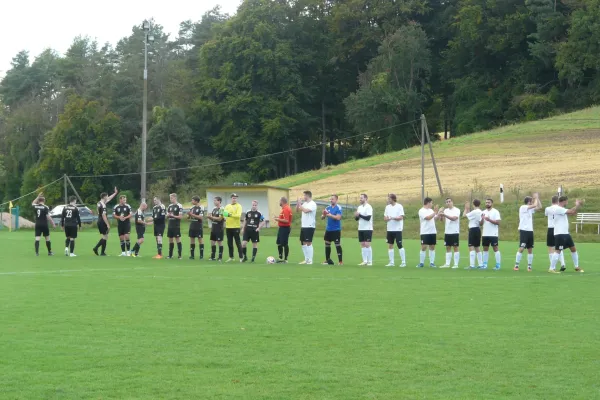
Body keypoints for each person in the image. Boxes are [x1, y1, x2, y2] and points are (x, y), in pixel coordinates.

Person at [549, 196, 584, 273]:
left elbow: (572, 213)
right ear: (564, 201)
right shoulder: (558, 209)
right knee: (558, 250)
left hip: (566, 233)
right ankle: (551, 268)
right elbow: (571, 211)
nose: (567, 203)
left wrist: (577, 207)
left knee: (573, 249)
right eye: (567, 201)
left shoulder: (562, 209)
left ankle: (576, 266)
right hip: (560, 233)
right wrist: (577, 205)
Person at [514, 193, 542, 271]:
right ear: (529, 201)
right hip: (524, 230)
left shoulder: (530, 209)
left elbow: (539, 207)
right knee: (522, 248)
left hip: (530, 231)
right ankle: (516, 265)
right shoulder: (523, 207)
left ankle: (529, 266)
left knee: (530, 249)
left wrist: (537, 198)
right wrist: (536, 198)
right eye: (531, 201)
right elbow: (534, 205)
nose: (533, 202)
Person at [93, 187, 118, 256]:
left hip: (99, 220)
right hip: (102, 221)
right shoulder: (103, 205)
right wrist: (108, 224)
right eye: (107, 196)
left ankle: (102, 252)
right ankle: (96, 248)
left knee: (105, 236)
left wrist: (115, 193)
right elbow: (104, 215)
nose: (107, 197)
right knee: (105, 237)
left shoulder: (99, 203)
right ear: (104, 197)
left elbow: (109, 198)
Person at [384, 193, 405, 267]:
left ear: (393, 199)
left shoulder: (399, 206)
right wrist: (387, 218)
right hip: (389, 229)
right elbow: (385, 218)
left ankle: (403, 262)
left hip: (398, 229)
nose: (388, 200)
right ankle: (391, 262)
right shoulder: (387, 207)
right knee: (390, 245)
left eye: (389, 198)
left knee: (399, 244)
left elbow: (401, 217)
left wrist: (392, 218)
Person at [417, 197, 440, 268]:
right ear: (428, 203)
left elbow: (434, 218)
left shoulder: (431, 210)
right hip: (425, 232)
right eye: (431, 203)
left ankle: (432, 263)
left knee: (432, 247)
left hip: (432, 231)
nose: (432, 204)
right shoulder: (421, 211)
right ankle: (421, 263)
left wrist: (439, 214)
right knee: (424, 247)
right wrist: (435, 213)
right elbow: (427, 218)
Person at [439, 197, 461, 269]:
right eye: (447, 202)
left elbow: (454, 218)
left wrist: (444, 215)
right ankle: (447, 264)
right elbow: (441, 220)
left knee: (455, 247)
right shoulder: (445, 210)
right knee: (448, 247)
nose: (448, 203)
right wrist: (440, 213)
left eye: (449, 201)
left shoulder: (457, 210)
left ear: (452, 202)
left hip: (454, 231)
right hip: (447, 231)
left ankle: (456, 264)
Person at [321, 194, 343, 266]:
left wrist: (329, 215)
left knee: (337, 245)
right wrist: (324, 215)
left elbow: (338, 218)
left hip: (336, 230)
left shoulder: (338, 208)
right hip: (328, 229)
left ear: (336, 200)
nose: (331, 200)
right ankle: (327, 260)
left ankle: (340, 261)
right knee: (327, 244)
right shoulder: (328, 207)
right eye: (330, 199)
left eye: (332, 199)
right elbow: (322, 217)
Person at [545, 196, 565, 270]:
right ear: (558, 201)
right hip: (558, 229)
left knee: (551, 247)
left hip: (550, 228)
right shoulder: (560, 208)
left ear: (552, 201)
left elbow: (546, 214)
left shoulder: (547, 208)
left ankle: (552, 266)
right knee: (559, 247)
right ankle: (563, 263)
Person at [297, 190, 317, 265]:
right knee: (303, 242)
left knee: (308, 242)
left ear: (308, 196)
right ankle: (306, 259)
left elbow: (305, 210)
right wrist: (298, 204)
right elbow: (297, 210)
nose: (303, 197)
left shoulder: (313, 204)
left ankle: (310, 260)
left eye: (304, 195)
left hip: (310, 226)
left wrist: (300, 204)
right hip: (304, 225)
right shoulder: (304, 203)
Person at [482, 198, 502, 270]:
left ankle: (498, 265)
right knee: (485, 248)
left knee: (495, 248)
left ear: (492, 203)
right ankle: (484, 264)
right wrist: (482, 219)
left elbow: (498, 222)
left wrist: (489, 219)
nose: (487, 204)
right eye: (486, 202)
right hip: (485, 234)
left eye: (489, 202)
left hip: (493, 234)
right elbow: (481, 224)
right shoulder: (483, 212)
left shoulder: (496, 212)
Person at [464, 199, 484, 269]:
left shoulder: (474, 211)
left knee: (471, 246)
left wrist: (466, 208)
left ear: (473, 204)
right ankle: (480, 264)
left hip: (472, 229)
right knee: (477, 247)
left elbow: (464, 215)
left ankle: (472, 265)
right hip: (478, 229)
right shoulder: (481, 211)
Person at [224, 193, 243, 262]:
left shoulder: (239, 206)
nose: (234, 199)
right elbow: (224, 214)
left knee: (238, 242)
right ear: (231, 198)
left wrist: (229, 214)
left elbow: (238, 215)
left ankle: (241, 257)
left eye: (235, 198)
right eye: (233, 198)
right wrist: (224, 215)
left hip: (235, 226)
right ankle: (231, 257)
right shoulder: (227, 206)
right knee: (229, 243)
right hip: (228, 226)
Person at [355, 193, 373, 266]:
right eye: (360, 198)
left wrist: (359, 215)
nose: (360, 199)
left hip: (367, 228)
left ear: (365, 198)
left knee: (367, 244)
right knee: (362, 244)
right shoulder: (359, 207)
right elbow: (357, 219)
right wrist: (356, 216)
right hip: (361, 228)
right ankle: (364, 261)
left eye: (361, 198)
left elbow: (368, 218)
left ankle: (370, 261)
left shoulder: (369, 207)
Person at [274, 197, 292, 263]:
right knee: (279, 243)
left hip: (285, 228)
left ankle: (286, 259)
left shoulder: (286, 209)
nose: (279, 202)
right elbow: (283, 218)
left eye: (280, 201)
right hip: (281, 228)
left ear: (282, 201)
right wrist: (278, 218)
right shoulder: (284, 209)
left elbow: (287, 220)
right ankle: (280, 257)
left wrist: (277, 219)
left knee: (284, 243)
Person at [207, 196, 225, 261]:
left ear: (219, 201)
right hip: (213, 228)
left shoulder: (222, 209)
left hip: (219, 228)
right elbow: (212, 218)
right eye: (214, 200)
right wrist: (209, 217)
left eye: (215, 200)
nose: (214, 202)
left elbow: (220, 218)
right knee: (212, 242)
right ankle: (213, 256)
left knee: (219, 242)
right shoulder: (214, 209)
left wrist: (211, 217)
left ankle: (220, 257)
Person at [166, 193, 183, 259]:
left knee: (177, 239)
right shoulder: (170, 206)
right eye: (170, 198)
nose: (170, 199)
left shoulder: (179, 206)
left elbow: (180, 217)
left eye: (171, 198)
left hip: (176, 225)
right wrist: (167, 215)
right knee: (170, 240)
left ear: (175, 198)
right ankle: (170, 255)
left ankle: (179, 255)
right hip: (170, 225)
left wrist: (173, 216)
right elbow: (167, 215)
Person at [188, 196, 205, 260]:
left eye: (192, 200)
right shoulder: (192, 207)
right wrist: (189, 215)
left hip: (198, 225)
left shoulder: (201, 207)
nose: (192, 202)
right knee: (192, 240)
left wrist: (192, 215)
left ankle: (201, 256)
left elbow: (200, 217)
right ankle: (192, 255)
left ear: (196, 201)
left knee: (200, 239)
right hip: (192, 225)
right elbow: (189, 217)